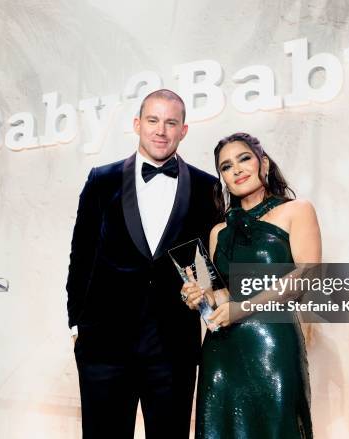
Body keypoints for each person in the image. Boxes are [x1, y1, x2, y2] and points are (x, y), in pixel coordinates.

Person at [66, 89, 218, 438]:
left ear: (184, 130)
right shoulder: (101, 180)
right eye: (153, 120)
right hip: (103, 344)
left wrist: (210, 306)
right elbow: (81, 255)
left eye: (170, 122)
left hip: (172, 347)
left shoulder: (207, 187)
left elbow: (211, 263)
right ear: (137, 124)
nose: (161, 130)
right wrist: (77, 325)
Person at [182, 132, 321, 438]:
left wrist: (241, 309)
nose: (237, 169)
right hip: (221, 350)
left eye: (244, 158)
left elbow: (306, 276)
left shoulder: (296, 211)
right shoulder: (219, 230)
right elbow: (226, 293)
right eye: (226, 166)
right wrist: (201, 296)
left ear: (264, 163)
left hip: (272, 346)